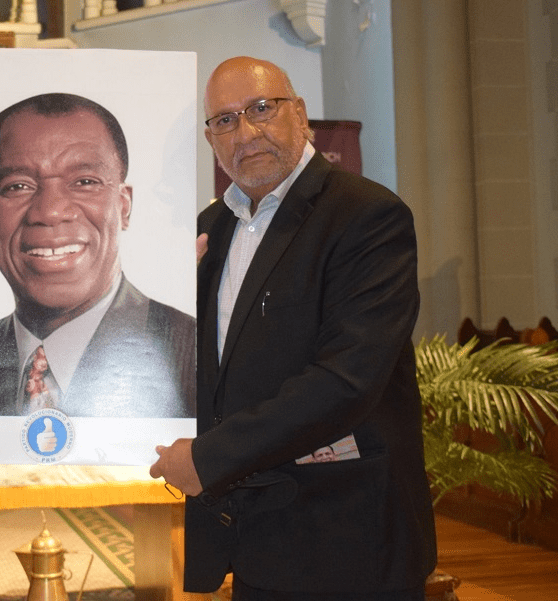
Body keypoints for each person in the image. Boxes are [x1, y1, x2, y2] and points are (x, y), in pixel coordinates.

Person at [150, 57, 436, 600]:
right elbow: (204, 368)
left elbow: (347, 380)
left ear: (300, 115)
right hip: (253, 536)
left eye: (261, 108)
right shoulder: (208, 232)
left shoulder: (367, 216)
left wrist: (207, 459)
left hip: (347, 535)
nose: (245, 132)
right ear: (211, 139)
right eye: (225, 120)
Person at [0, 93, 195, 418]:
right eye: (18, 186)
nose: (49, 212)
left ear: (124, 206)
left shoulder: (194, 358)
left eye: (84, 182)